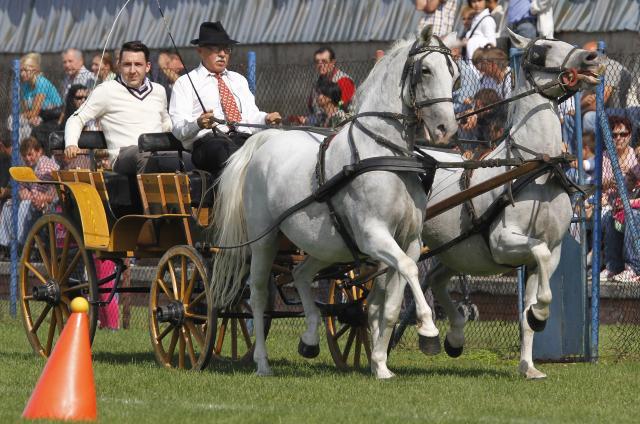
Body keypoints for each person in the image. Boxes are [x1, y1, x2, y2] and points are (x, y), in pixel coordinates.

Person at [170, 21, 281, 178]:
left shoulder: (238, 80)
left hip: (243, 139)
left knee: (276, 142)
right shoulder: (185, 83)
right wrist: (198, 124)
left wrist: (266, 119)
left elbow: (250, 116)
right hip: (208, 144)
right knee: (227, 151)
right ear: (200, 51)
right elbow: (178, 128)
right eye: (215, 49)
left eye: (226, 49)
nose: (222, 54)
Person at [64, 41, 176, 175]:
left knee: (189, 158)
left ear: (147, 67)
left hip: (156, 153)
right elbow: (76, 118)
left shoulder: (159, 91)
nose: (133, 70)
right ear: (119, 66)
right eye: (127, 64)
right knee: (145, 156)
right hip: (123, 157)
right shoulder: (106, 91)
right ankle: (147, 196)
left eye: (138, 64)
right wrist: (71, 143)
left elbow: (165, 123)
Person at [0, 136, 59, 251]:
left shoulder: (45, 165)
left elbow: (40, 193)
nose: (27, 158)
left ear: (39, 152)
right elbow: (22, 187)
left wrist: (27, 194)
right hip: (35, 199)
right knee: (8, 205)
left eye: (30, 154)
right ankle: (7, 245)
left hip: (48, 202)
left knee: (25, 205)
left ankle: (23, 244)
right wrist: (23, 191)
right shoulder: (30, 167)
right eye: (25, 156)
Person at [18, 53, 63, 150]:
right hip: (37, 117)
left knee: (24, 127)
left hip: (52, 118)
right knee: (14, 122)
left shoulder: (41, 82)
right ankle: (20, 155)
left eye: (25, 70)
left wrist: (28, 116)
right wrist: (29, 116)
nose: (22, 74)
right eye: (21, 70)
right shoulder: (25, 85)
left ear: (35, 70)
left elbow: (34, 111)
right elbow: (28, 111)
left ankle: (29, 153)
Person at [302, 46, 356, 125]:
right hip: (321, 122)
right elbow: (311, 106)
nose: (320, 65)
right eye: (317, 62)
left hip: (344, 124)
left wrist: (335, 104)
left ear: (332, 62)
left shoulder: (344, 80)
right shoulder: (317, 83)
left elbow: (342, 104)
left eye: (324, 61)